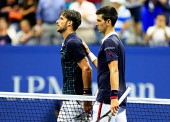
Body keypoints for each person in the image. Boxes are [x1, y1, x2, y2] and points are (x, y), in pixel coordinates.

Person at [82, 6, 127, 122]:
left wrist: (113, 97)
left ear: (108, 22)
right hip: (119, 98)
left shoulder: (109, 42)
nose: (96, 24)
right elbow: (104, 67)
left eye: (99, 20)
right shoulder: (116, 41)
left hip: (108, 98)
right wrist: (88, 52)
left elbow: (114, 70)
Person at [56, 9, 93, 121]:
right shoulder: (68, 42)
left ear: (69, 23)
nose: (57, 21)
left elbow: (87, 69)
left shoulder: (73, 42)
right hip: (72, 98)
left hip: (74, 99)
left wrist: (86, 97)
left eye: (61, 18)